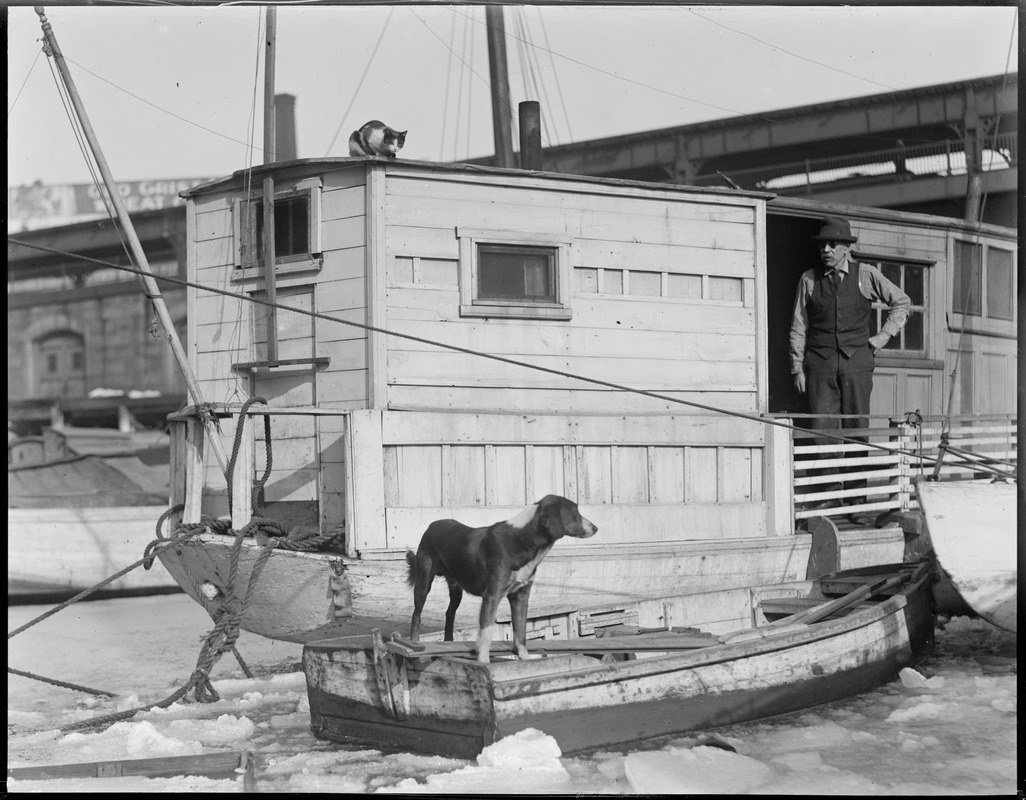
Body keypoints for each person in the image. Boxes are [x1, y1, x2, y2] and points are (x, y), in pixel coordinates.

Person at [789, 216, 910, 525]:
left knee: (857, 427)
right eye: (822, 245)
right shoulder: (809, 279)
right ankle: (828, 496)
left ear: (845, 248)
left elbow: (901, 302)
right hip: (820, 363)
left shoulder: (865, 275)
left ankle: (855, 500)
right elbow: (799, 327)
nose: (826, 250)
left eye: (832, 244)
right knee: (823, 430)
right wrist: (797, 368)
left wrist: (882, 338)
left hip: (857, 360)